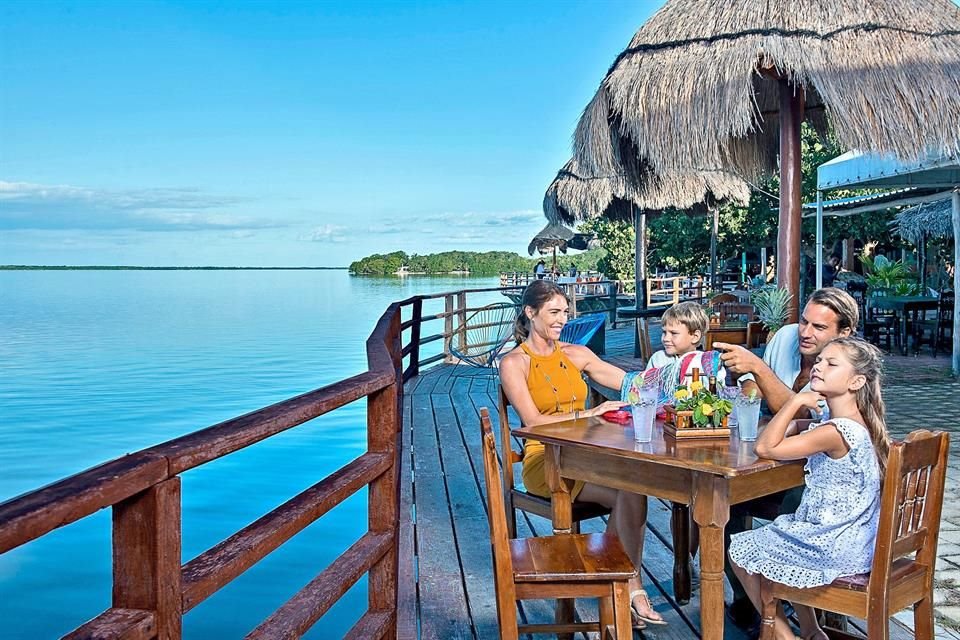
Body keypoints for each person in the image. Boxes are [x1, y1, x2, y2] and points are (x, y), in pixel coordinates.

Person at [499, 280, 667, 629]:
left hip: (588, 455)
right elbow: (532, 422)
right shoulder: (515, 363)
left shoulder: (576, 354)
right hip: (544, 461)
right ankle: (626, 589)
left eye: (565, 312)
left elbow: (631, 383)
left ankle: (623, 584)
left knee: (634, 488)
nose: (562, 319)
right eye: (554, 312)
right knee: (628, 491)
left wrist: (676, 375)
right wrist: (588, 414)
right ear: (530, 313)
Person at [713, 286, 860, 630]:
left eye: (819, 328)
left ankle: (785, 605)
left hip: (821, 488)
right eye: (804, 322)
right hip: (782, 466)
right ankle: (751, 602)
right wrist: (744, 376)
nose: (806, 333)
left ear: (844, 333)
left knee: (794, 509)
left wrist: (760, 371)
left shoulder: (843, 373)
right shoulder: (786, 339)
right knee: (720, 499)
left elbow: (796, 414)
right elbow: (757, 391)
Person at [729, 337, 887, 640]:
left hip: (835, 545)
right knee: (786, 530)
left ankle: (787, 637)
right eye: (819, 361)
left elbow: (765, 446)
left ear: (856, 381)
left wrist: (795, 402)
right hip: (855, 539)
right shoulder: (849, 421)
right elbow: (794, 432)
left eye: (831, 363)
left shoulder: (835, 432)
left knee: (742, 552)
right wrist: (795, 420)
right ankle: (813, 632)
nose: (819, 366)